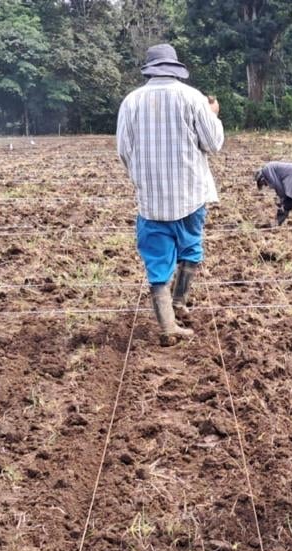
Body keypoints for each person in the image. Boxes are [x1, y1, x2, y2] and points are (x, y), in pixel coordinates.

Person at [117, 44, 224, 346]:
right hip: (190, 195)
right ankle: (179, 303)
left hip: (151, 201)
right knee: (190, 248)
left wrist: (143, 179)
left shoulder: (131, 101)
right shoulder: (192, 98)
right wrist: (213, 115)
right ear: (175, 68)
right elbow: (214, 143)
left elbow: (123, 151)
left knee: (157, 262)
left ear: (149, 70)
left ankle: (168, 325)